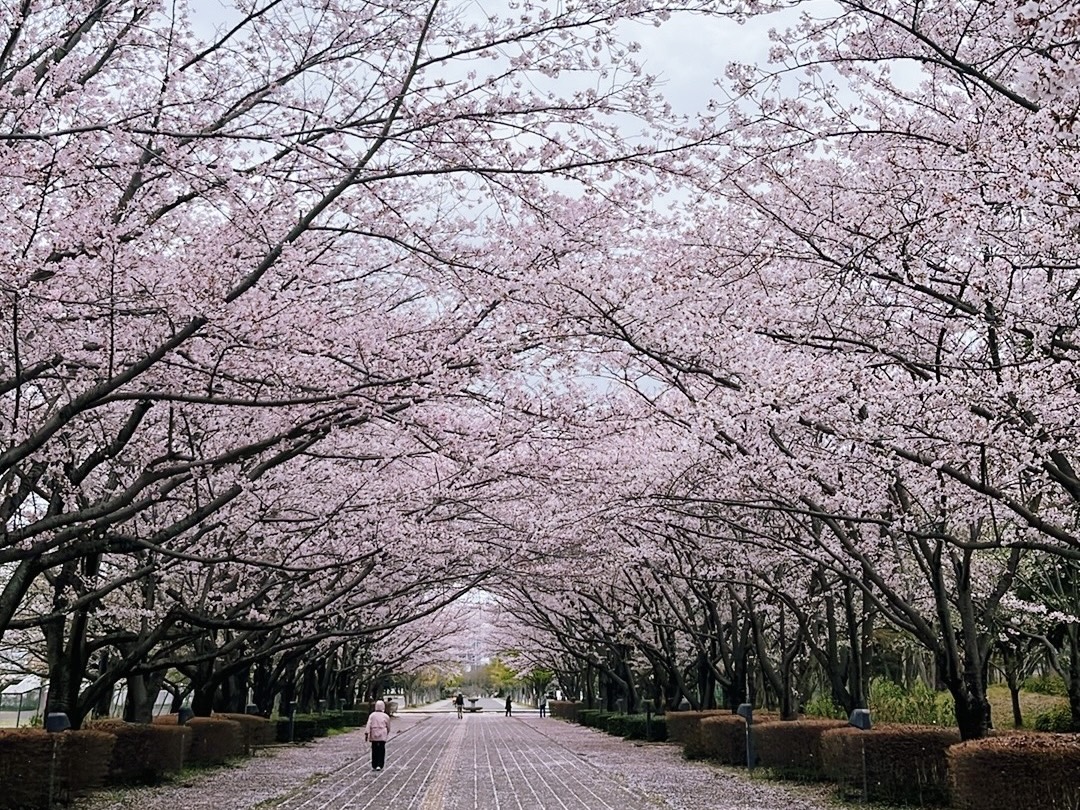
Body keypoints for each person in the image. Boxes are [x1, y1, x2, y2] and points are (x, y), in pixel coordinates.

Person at [365, 699, 391, 770]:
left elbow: (368, 725)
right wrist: (387, 732)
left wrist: (367, 733)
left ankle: (374, 764)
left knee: (374, 749)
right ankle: (380, 764)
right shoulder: (385, 716)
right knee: (381, 750)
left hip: (374, 734)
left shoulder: (372, 715)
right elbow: (388, 726)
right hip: (382, 734)